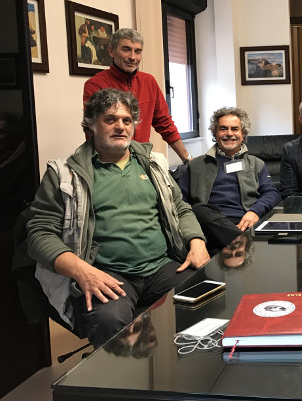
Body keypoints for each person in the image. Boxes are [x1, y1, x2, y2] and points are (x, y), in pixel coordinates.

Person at [26, 88, 209, 348]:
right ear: (91, 124)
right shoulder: (64, 174)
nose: (120, 127)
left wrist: (197, 242)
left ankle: (187, 372)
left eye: (126, 120)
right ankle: (124, 385)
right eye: (110, 119)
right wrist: (83, 271)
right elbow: (39, 234)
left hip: (161, 267)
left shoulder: (153, 164)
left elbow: (180, 208)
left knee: (208, 296)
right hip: (108, 274)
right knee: (112, 325)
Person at [83, 28, 193, 163]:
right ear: (111, 51)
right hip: (109, 162)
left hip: (142, 160)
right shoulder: (95, 84)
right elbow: (93, 130)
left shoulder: (149, 82)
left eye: (137, 51)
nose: (132, 57)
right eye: (126, 49)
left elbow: (165, 123)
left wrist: (187, 159)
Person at [177, 107, 281, 247]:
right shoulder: (195, 165)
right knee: (199, 208)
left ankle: (235, 242)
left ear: (243, 133)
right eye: (223, 129)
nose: (229, 134)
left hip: (245, 222)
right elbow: (179, 201)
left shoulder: (256, 164)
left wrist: (254, 212)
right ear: (215, 133)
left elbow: (272, 193)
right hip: (209, 226)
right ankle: (241, 242)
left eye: (235, 129)